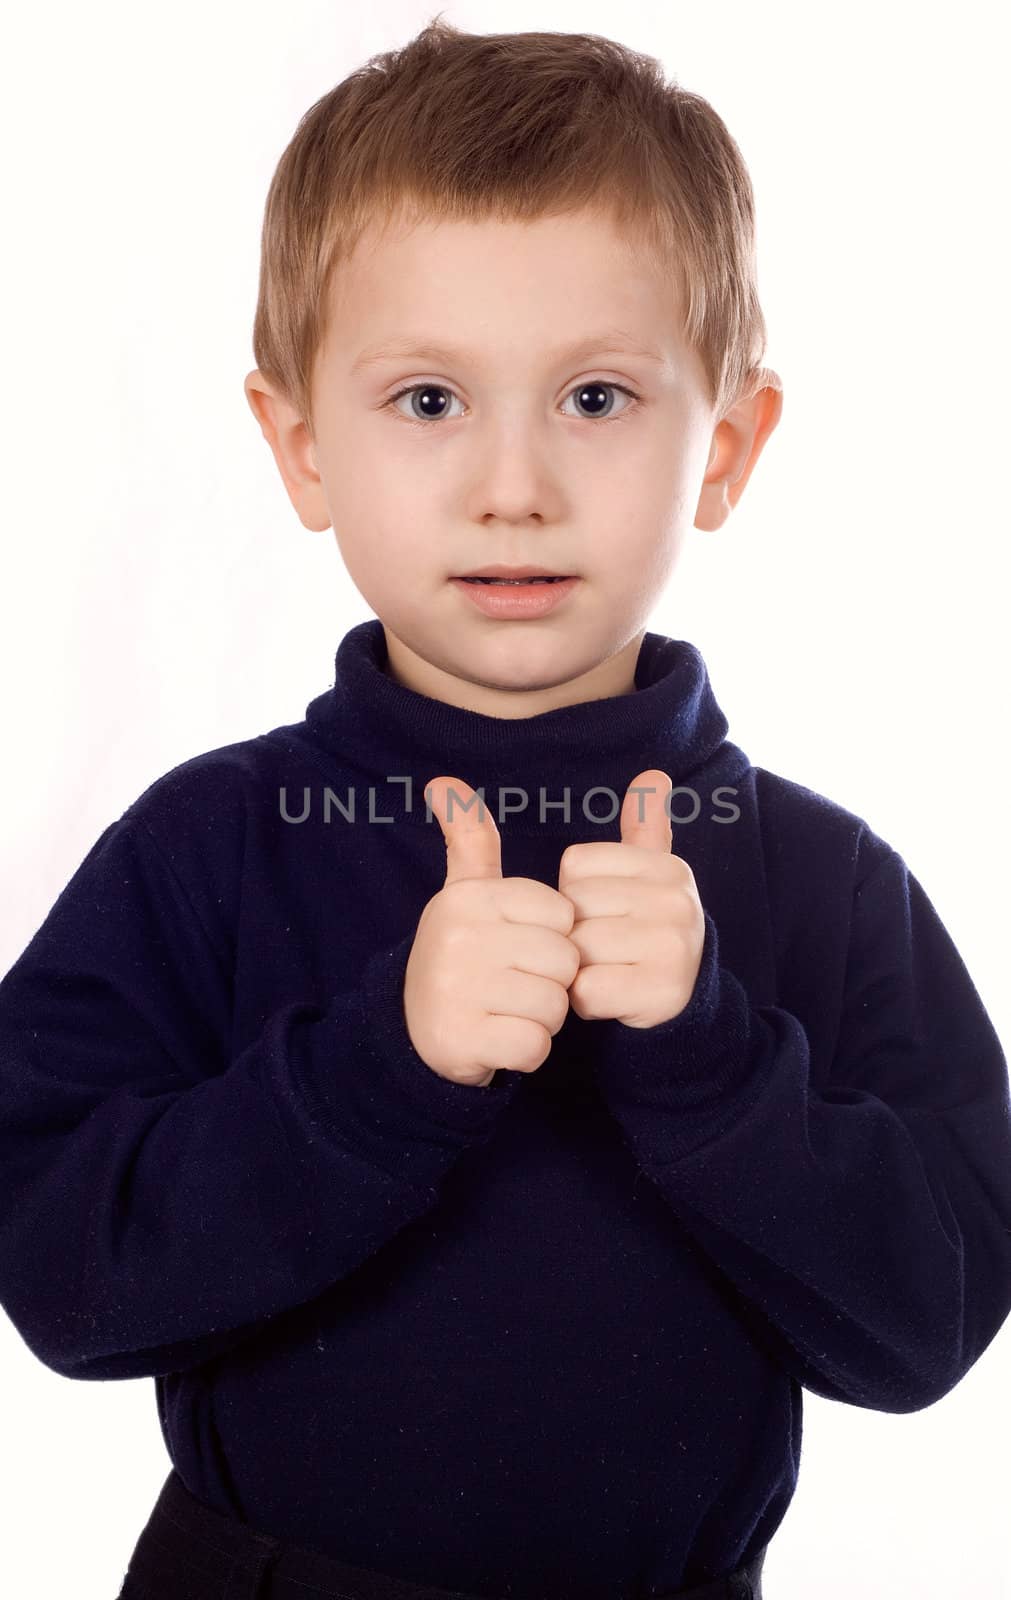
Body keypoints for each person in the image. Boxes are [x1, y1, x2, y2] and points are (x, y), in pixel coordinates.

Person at [1, 16, 1009, 1600]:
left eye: (598, 399)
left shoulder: (823, 882)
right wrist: (374, 1074)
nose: (514, 485)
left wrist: (711, 1061)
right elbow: (58, 1273)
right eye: (426, 401)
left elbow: (928, 1325)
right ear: (298, 444)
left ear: (727, 446)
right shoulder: (209, 848)